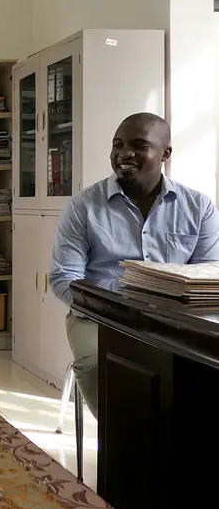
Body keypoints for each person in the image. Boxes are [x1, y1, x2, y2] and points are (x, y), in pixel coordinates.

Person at [50, 112, 219, 419]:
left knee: (202, 371)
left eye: (139, 145)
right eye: (118, 144)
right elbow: (64, 278)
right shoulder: (83, 206)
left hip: (174, 323)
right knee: (100, 364)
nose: (124, 153)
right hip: (99, 318)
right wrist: (117, 306)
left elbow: (208, 276)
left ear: (165, 153)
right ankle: (123, 447)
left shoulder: (200, 207)